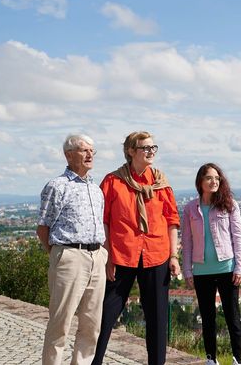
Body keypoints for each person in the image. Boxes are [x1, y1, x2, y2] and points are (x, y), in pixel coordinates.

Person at [92, 131, 180, 365]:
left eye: (153, 148)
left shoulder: (161, 183)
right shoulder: (113, 182)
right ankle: (95, 361)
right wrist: (108, 256)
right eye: (145, 148)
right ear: (131, 151)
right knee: (106, 314)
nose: (151, 152)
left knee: (157, 318)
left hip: (157, 255)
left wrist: (174, 255)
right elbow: (104, 221)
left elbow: (172, 221)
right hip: (122, 256)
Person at [37, 134, 107, 365]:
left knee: (91, 324)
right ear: (69, 155)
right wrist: (61, 255)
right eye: (84, 150)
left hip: (97, 257)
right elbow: (43, 228)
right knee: (60, 323)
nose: (90, 155)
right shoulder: (57, 186)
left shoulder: (96, 189)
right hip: (69, 256)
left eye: (92, 151)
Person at [182, 163, 241, 365]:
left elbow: (238, 237)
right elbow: (187, 242)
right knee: (208, 319)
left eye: (217, 178)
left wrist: (240, 267)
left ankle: (238, 360)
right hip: (201, 271)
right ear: (200, 181)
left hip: (227, 269)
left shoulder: (229, 205)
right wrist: (187, 271)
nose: (214, 181)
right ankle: (211, 359)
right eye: (209, 177)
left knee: (232, 317)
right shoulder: (190, 208)